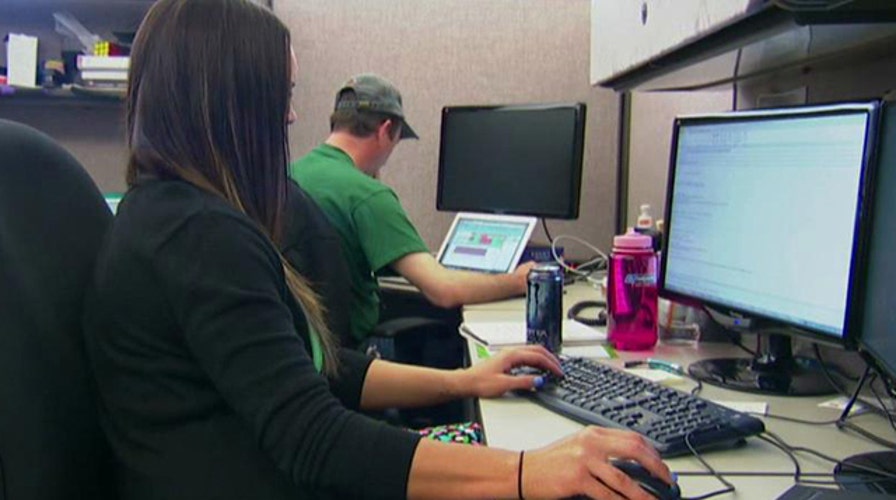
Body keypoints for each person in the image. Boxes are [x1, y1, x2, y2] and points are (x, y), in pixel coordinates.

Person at [81, 0, 672, 498]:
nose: (290, 114)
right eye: (281, 95)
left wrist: (465, 382)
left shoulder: (176, 216)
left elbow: (319, 373)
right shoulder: (197, 236)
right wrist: (526, 473)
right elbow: (313, 436)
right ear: (231, 102)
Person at [290, 74, 537, 348]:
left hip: (299, 349)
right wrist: (516, 281)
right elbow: (444, 290)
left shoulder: (289, 174)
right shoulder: (366, 195)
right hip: (350, 358)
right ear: (386, 130)